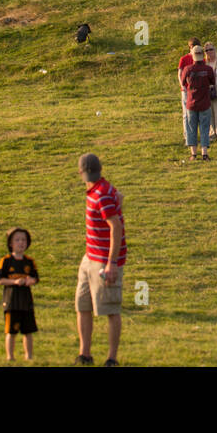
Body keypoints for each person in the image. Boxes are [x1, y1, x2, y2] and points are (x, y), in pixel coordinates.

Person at [76, 153, 126, 367]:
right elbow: (120, 197)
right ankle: (84, 354)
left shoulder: (102, 194)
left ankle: (111, 358)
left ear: (80, 173)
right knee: (82, 305)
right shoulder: (101, 188)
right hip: (89, 258)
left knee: (110, 309)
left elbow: (115, 226)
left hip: (104, 261)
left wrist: (111, 263)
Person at [0, 227, 39, 361]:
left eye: (23, 240)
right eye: (17, 240)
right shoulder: (6, 261)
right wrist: (14, 282)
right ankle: (10, 357)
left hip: (26, 302)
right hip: (11, 302)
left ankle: (29, 356)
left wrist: (28, 281)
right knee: (11, 331)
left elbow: (35, 278)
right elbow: (0, 280)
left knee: (28, 331)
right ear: (10, 243)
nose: (21, 243)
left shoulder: (29, 261)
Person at [180, 44, 215, 160]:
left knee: (191, 128)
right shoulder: (208, 69)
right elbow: (212, 82)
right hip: (205, 102)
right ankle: (204, 153)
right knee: (205, 128)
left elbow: (183, 83)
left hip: (191, 102)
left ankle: (193, 154)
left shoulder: (188, 69)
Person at [178, 37, 202, 143]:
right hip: (187, 90)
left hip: (197, 90)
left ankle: (198, 134)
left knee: (199, 114)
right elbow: (180, 73)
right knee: (186, 114)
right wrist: (182, 85)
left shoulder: (201, 59)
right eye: (192, 47)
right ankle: (187, 135)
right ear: (190, 47)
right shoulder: (184, 59)